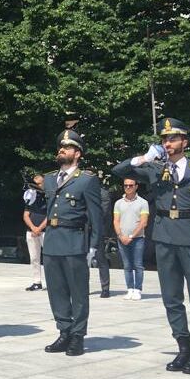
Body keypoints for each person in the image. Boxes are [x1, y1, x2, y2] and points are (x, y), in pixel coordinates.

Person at [113, 118, 190, 374]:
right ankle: (183, 347)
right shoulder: (155, 169)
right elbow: (119, 170)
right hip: (165, 237)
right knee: (171, 297)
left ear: (184, 142)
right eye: (165, 139)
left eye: (173, 139)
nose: (168, 143)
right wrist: (142, 159)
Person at [37, 130, 102, 356]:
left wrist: (93, 246)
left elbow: (96, 216)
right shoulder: (49, 179)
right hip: (53, 240)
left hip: (75, 240)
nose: (62, 150)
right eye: (60, 147)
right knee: (56, 291)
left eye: (67, 147)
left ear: (78, 153)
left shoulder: (87, 180)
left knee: (78, 292)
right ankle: (64, 331)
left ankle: (77, 336)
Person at [113, 178, 150, 300]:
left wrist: (131, 236)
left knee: (138, 265)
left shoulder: (143, 202)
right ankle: (130, 289)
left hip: (138, 238)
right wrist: (120, 235)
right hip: (122, 239)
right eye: (125, 185)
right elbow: (116, 220)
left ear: (136, 186)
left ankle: (138, 289)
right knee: (127, 265)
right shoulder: (118, 203)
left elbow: (143, 222)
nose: (128, 187)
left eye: (130, 185)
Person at [22, 173, 47, 291]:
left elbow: (50, 215)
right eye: (34, 184)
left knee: (48, 258)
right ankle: (37, 281)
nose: (36, 186)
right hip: (31, 231)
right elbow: (26, 215)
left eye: (39, 183)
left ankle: (53, 281)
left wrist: (39, 228)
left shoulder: (49, 196)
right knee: (34, 258)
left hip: (45, 230)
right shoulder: (31, 196)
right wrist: (33, 228)